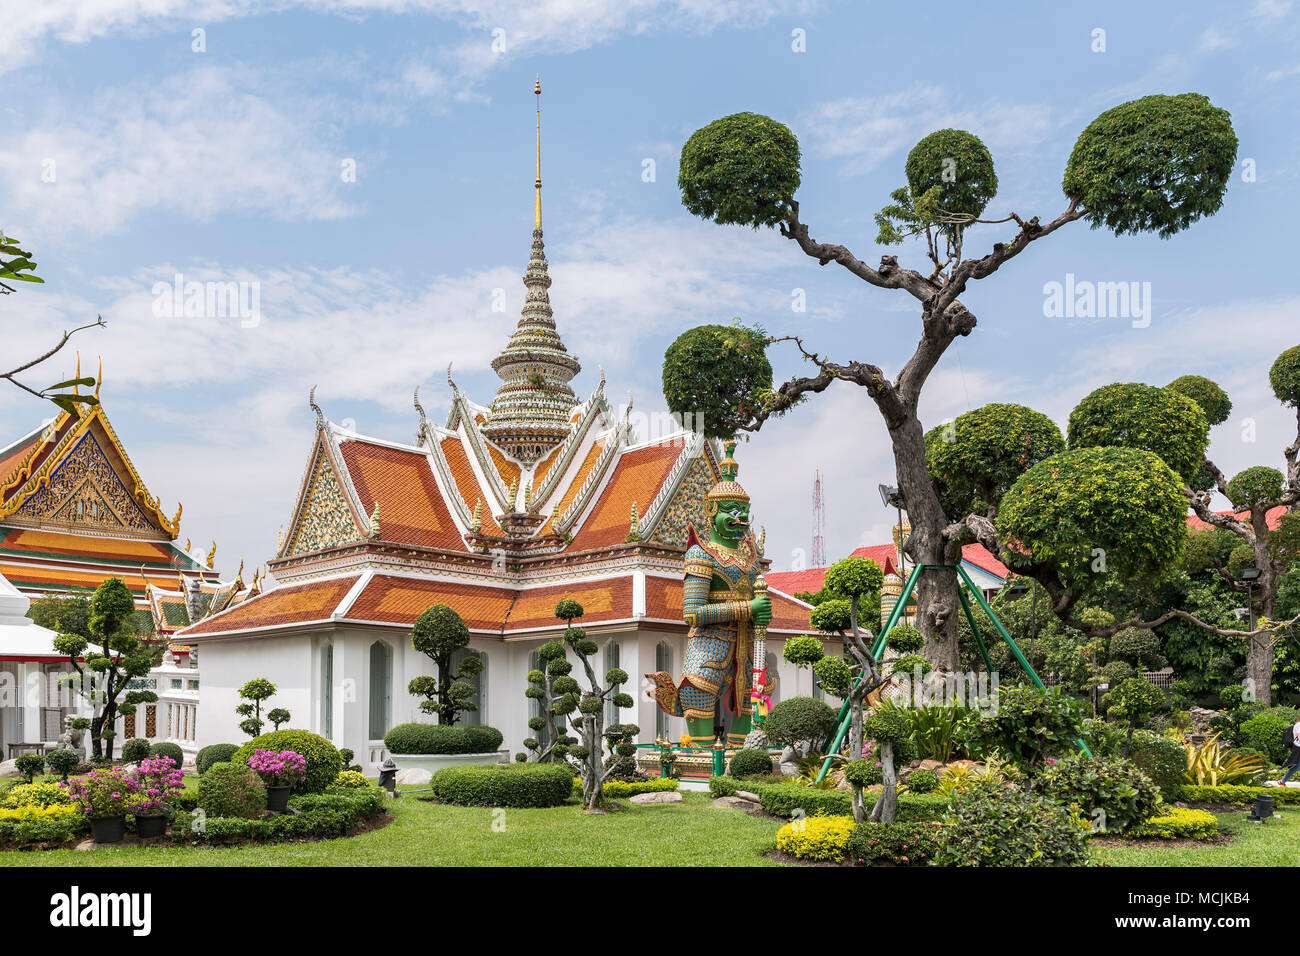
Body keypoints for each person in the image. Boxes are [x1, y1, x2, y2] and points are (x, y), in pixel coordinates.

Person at [1279, 720, 1300, 785]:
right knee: (1298, 767)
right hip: (1298, 748)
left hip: (1297, 747)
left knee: (1298, 767)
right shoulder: (1299, 725)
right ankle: (1282, 781)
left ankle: (1282, 781)